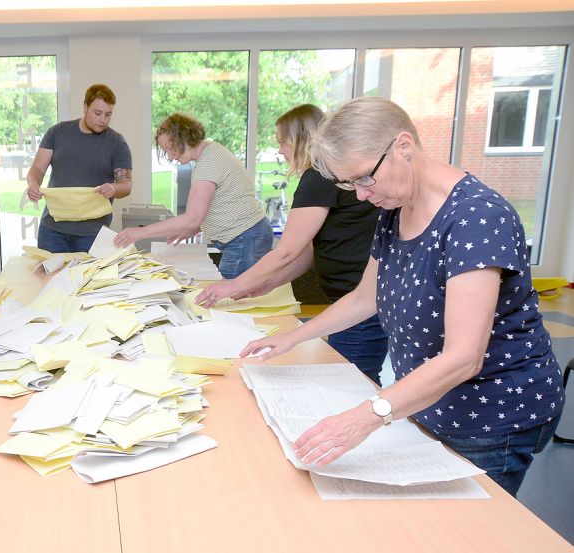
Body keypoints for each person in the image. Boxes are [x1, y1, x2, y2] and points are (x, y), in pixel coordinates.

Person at [241, 97, 565, 496]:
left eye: (363, 178)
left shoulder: (478, 219)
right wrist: (292, 337)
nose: (359, 195)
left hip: (493, 415)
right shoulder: (395, 208)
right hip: (432, 400)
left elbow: (464, 356)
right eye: (349, 184)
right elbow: (366, 297)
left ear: (403, 146)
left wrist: (369, 414)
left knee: (465, 531)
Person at [198, 104, 386, 383]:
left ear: (301, 140)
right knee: (351, 379)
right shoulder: (326, 176)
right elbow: (309, 250)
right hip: (352, 302)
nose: (279, 151)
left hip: (359, 304)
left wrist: (235, 284)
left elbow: (286, 252)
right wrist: (267, 284)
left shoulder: (319, 176)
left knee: (352, 384)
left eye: (281, 142)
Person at [114, 112, 272, 279]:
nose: (169, 156)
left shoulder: (208, 162)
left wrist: (140, 233)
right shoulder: (210, 153)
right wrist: (194, 229)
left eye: (169, 147)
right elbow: (220, 204)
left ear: (183, 137)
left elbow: (192, 217)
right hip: (248, 237)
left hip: (245, 239)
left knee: (230, 297)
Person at [26, 83, 133, 253]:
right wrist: (33, 184)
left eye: (108, 114)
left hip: (93, 235)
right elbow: (37, 169)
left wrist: (113, 188)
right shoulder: (57, 133)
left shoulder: (117, 143)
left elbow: (126, 185)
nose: (102, 119)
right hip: (52, 231)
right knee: (48, 279)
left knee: (90, 280)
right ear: (85, 107)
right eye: (97, 113)